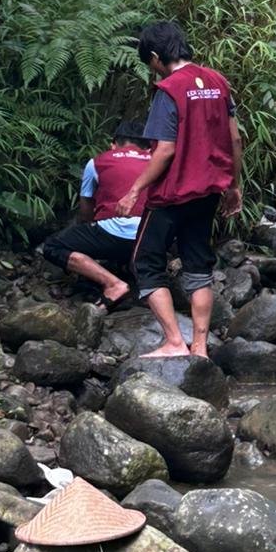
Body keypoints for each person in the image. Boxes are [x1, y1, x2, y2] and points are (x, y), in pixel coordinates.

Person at [115, 21, 242, 359]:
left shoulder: (168, 90)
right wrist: (234, 184)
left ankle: (173, 341)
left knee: (145, 262)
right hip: (209, 191)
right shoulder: (218, 82)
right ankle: (199, 346)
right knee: (199, 265)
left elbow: (165, 150)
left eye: (150, 63)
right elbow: (235, 139)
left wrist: (134, 190)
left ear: (156, 57)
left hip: (171, 194)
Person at [41, 120, 151, 310]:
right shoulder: (158, 164)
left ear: (113, 144)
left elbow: (86, 211)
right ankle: (135, 269)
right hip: (151, 238)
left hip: (112, 234)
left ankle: (113, 283)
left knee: (53, 246)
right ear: (149, 148)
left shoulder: (98, 161)